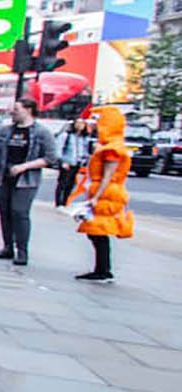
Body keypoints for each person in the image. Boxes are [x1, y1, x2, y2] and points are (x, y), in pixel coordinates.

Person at [0, 97, 57, 267]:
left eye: (16, 110)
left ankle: (22, 251)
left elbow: (51, 158)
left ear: (28, 110)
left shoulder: (41, 132)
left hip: (26, 180)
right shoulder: (6, 130)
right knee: (5, 213)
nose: (12, 112)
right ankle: (7, 247)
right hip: (3, 177)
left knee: (19, 212)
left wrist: (24, 166)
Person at [70, 106, 135, 282]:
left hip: (106, 193)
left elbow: (108, 175)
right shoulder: (112, 146)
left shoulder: (111, 149)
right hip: (105, 192)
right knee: (97, 230)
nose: (97, 127)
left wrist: (96, 197)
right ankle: (102, 268)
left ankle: (103, 269)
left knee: (98, 230)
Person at [54, 118, 89, 207]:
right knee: (62, 183)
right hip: (67, 163)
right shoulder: (66, 136)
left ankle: (65, 202)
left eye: (82, 123)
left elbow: (85, 151)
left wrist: (84, 160)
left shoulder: (84, 138)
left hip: (77, 163)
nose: (80, 125)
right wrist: (62, 161)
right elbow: (58, 149)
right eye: (78, 123)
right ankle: (59, 203)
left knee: (71, 184)